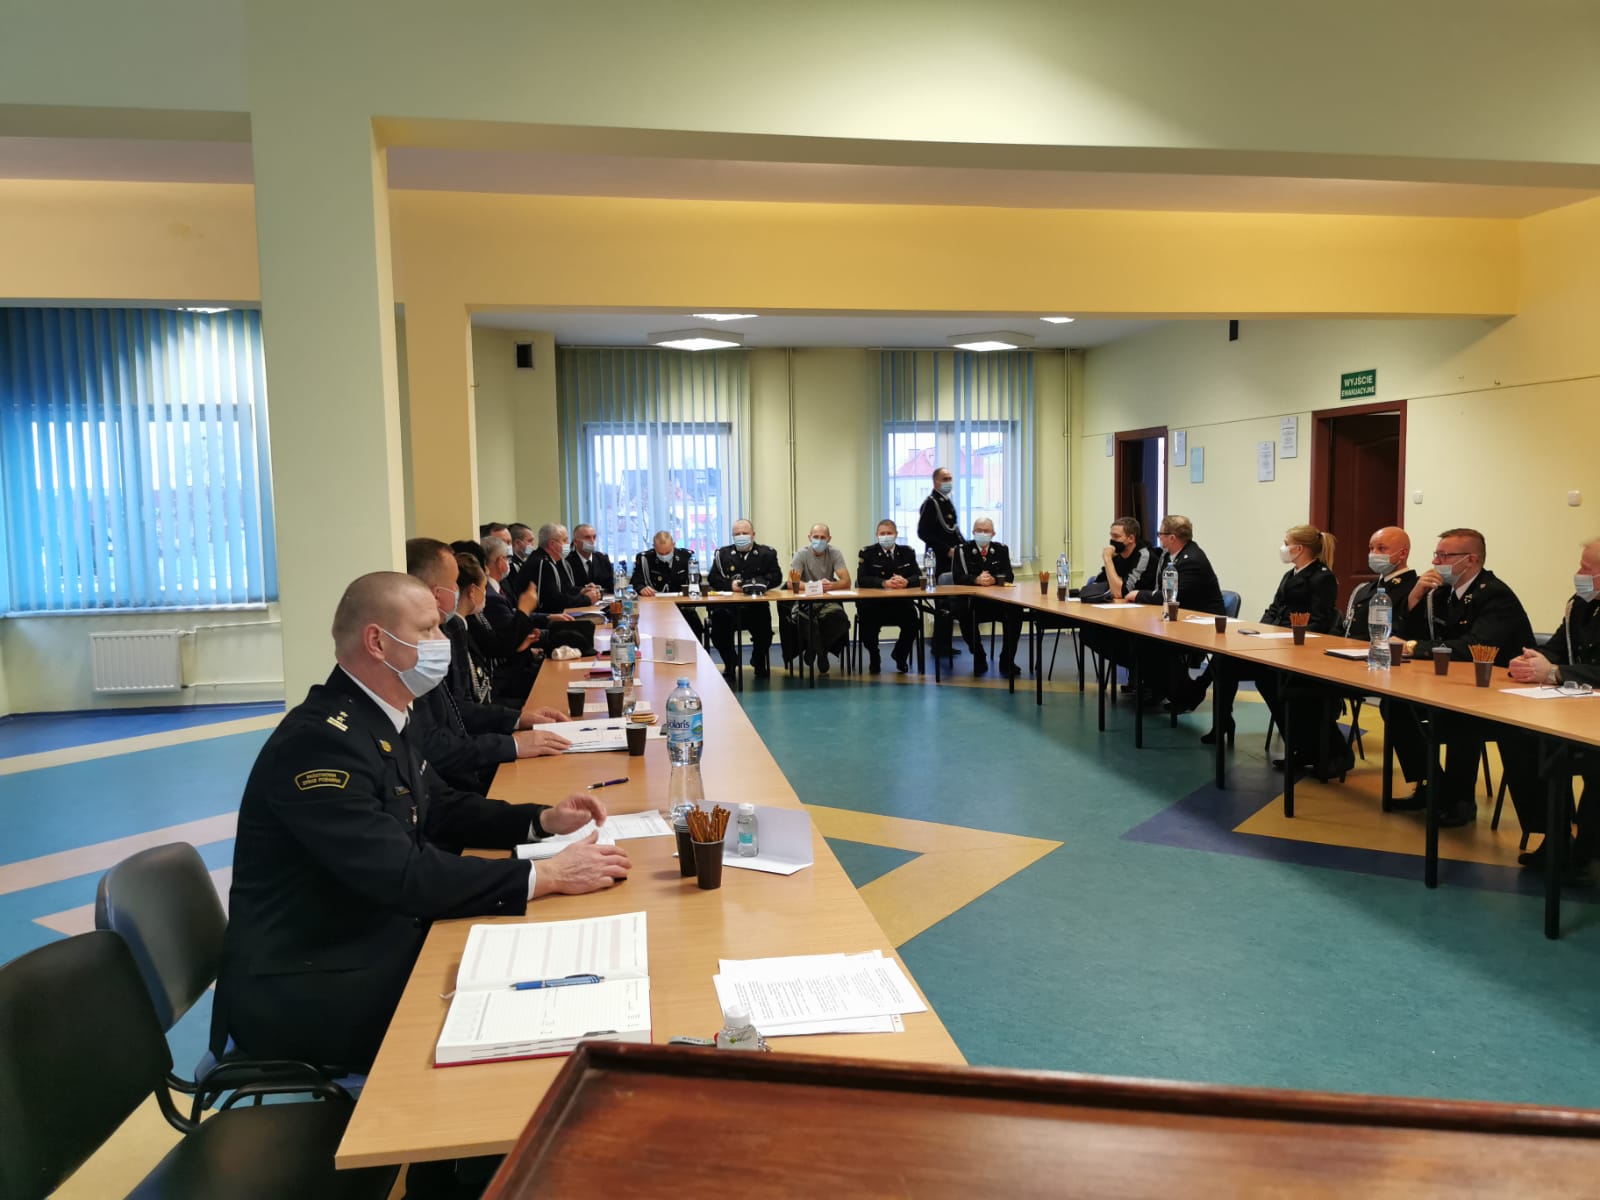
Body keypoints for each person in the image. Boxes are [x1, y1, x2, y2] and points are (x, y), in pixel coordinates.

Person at [212, 570, 632, 1076]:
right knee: (531, 1029)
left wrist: (541, 820)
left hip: (369, 940)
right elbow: (403, 875)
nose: (442, 639)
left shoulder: (381, 715)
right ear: (377, 643)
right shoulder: (320, 743)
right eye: (428, 629)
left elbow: (442, 805)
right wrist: (545, 875)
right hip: (311, 986)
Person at [1392, 528, 1535, 827]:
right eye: (1436, 554)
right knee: (1396, 706)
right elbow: (1412, 633)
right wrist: (1414, 597)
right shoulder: (1443, 593)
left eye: (1444, 556)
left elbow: (1473, 647)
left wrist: (1415, 647)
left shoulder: (1494, 594)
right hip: (1455, 683)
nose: (1436, 562)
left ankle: (1459, 801)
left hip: (1499, 692)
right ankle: (1432, 785)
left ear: (1471, 559)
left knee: (1460, 719)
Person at [406, 538, 572, 794]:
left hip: (467, 767)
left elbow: (459, 711)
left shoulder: (454, 629)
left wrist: (518, 719)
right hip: (463, 776)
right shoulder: (429, 651)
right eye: (454, 583)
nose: (458, 589)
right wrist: (512, 742)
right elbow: (441, 743)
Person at [1207, 527, 1347, 778]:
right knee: (1224, 661)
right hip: (1275, 645)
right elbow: (1274, 609)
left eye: (1286, 543)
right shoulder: (1289, 574)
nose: (1283, 548)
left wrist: (1282, 637)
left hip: (1299, 650)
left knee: (1272, 679)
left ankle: (1311, 747)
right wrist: (1259, 632)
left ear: (1299, 548)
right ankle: (1222, 723)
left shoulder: (1322, 577)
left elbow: (1319, 621)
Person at [1501, 537, 1600, 880]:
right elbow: (1558, 648)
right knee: (1518, 735)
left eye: (1586, 568)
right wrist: (1532, 662)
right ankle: (1553, 834)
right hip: (1577, 709)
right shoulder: (1580, 605)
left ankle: (1586, 852)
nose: (1578, 574)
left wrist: (1557, 672)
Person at [1129, 514, 1225, 709]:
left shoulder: (1192, 559)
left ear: (1172, 537)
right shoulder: (1170, 556)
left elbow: (1169, 596)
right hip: (1180, 617)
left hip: (1203, 624)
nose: (1159, 538)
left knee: (1152, 644)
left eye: (1161, 534)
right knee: (1140, 639)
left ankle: (1183, 694)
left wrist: (1138, 594)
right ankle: (1165, 690)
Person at [706, 518, 783, 682]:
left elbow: (776, 577)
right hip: (729, 608)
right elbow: (713, 578)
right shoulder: (722, 554)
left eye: (745, 533)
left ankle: (758, 660)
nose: (741, 536)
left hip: (755, 607)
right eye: (737, 534)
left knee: (765, 632)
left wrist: (757, 584)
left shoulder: (766, 554)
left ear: (753, 535)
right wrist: (730, 585)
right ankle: (730, 662)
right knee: (718, 630)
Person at [1079, 517, 1156, 679]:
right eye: (1111, 536)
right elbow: (1100, 582)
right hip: (1122, 614)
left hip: (1146, 617)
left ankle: (1143, 675)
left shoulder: (1144, 555)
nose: (1112, 541)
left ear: (1131, 538)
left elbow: (1121, 592)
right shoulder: (1119, 556)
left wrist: (1108, 560)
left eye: (1116, 537)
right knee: (1087, 631)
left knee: (1120, 639)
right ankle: (1137, 672)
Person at [951, 517, 1022, 677]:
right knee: (963, 613)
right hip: (973, 602)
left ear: (993, 533)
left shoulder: (1001, 550)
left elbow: (1009, 576)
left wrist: (994, 580)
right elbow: (957, 577)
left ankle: (1007, 659)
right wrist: (976, 580)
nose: (983, 534)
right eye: (979, 530)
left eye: (986, 531)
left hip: (996, 601)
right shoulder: (962, 550)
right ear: (973, 532)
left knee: (1015, 612)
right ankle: (979, 654)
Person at [856, 519, 923, 673]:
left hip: (900, 604)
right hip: (875, 604)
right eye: (882, 533)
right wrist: (883, 583)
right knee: (867, 623)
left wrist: (906, 581)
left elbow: (919, 576)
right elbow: (862, 579)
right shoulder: (867, 553)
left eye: (889, 533)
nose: (886, 536)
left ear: (896, 534)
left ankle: (900, 655)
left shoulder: (907, 552)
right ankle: (874, 656)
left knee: (913, 622)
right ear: (876, 535)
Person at [785, 523, 851, 673]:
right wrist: (815, 586)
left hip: (828, 601)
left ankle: (814, 648)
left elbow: (846, 581)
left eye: (823, 537)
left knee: (841, 620)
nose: (819, 540)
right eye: (816, 537)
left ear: (829, 539)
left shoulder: (835, 553)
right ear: (809, 537)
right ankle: (822, 653)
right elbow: (791, 583)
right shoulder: (801, 554)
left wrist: (831, 585)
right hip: (805, 601)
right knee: (802, 618)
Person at [917, 466, 963, 658]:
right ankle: (938, 645)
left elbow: (953, 531)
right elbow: (923, 532)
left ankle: (944, 643)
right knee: (942, 604)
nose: (948, 482)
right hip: (938, 560)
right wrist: (946, 549)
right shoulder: (931, 503)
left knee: (950, 604)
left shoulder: (946, 502)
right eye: (945, 479)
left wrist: (965, 549)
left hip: (952, 559)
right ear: (936, 482)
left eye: (950, 478)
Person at [630, 530, 706, 640]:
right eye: (660, 553)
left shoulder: (686, 556)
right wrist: (641, 588)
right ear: (654, 547)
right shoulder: (645, 558)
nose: (664, 556)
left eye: (667, 552)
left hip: (682, 607)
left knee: (695, 626)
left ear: (673, 545)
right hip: (655, 609)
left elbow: (696, 581)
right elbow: (635, 583)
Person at [566, 523, 614, 593]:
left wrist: (599, 590)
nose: (592, 541)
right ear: (575, 542)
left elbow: (611, 589)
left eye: (594, 537)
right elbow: (567, 589)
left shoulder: (603, 559)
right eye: (587, 538)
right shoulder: (567, 562)